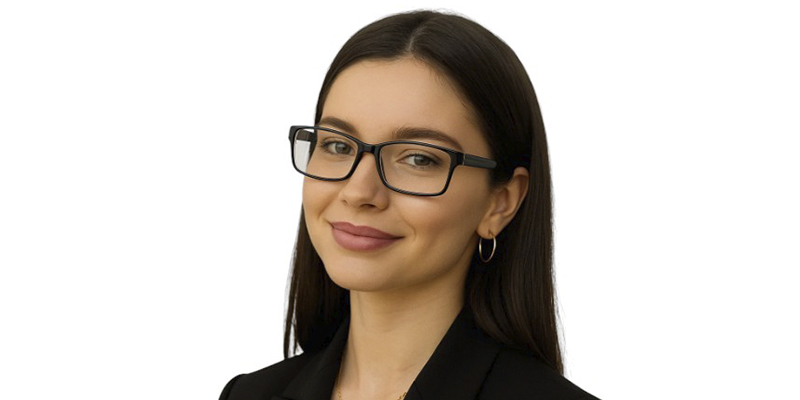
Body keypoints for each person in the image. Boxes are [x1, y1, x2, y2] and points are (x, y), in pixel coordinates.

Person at [219, 9, 600, 400]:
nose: (358, 192)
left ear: (500, 203)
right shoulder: (248, 394)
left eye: (418, 158)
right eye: (337, 146)